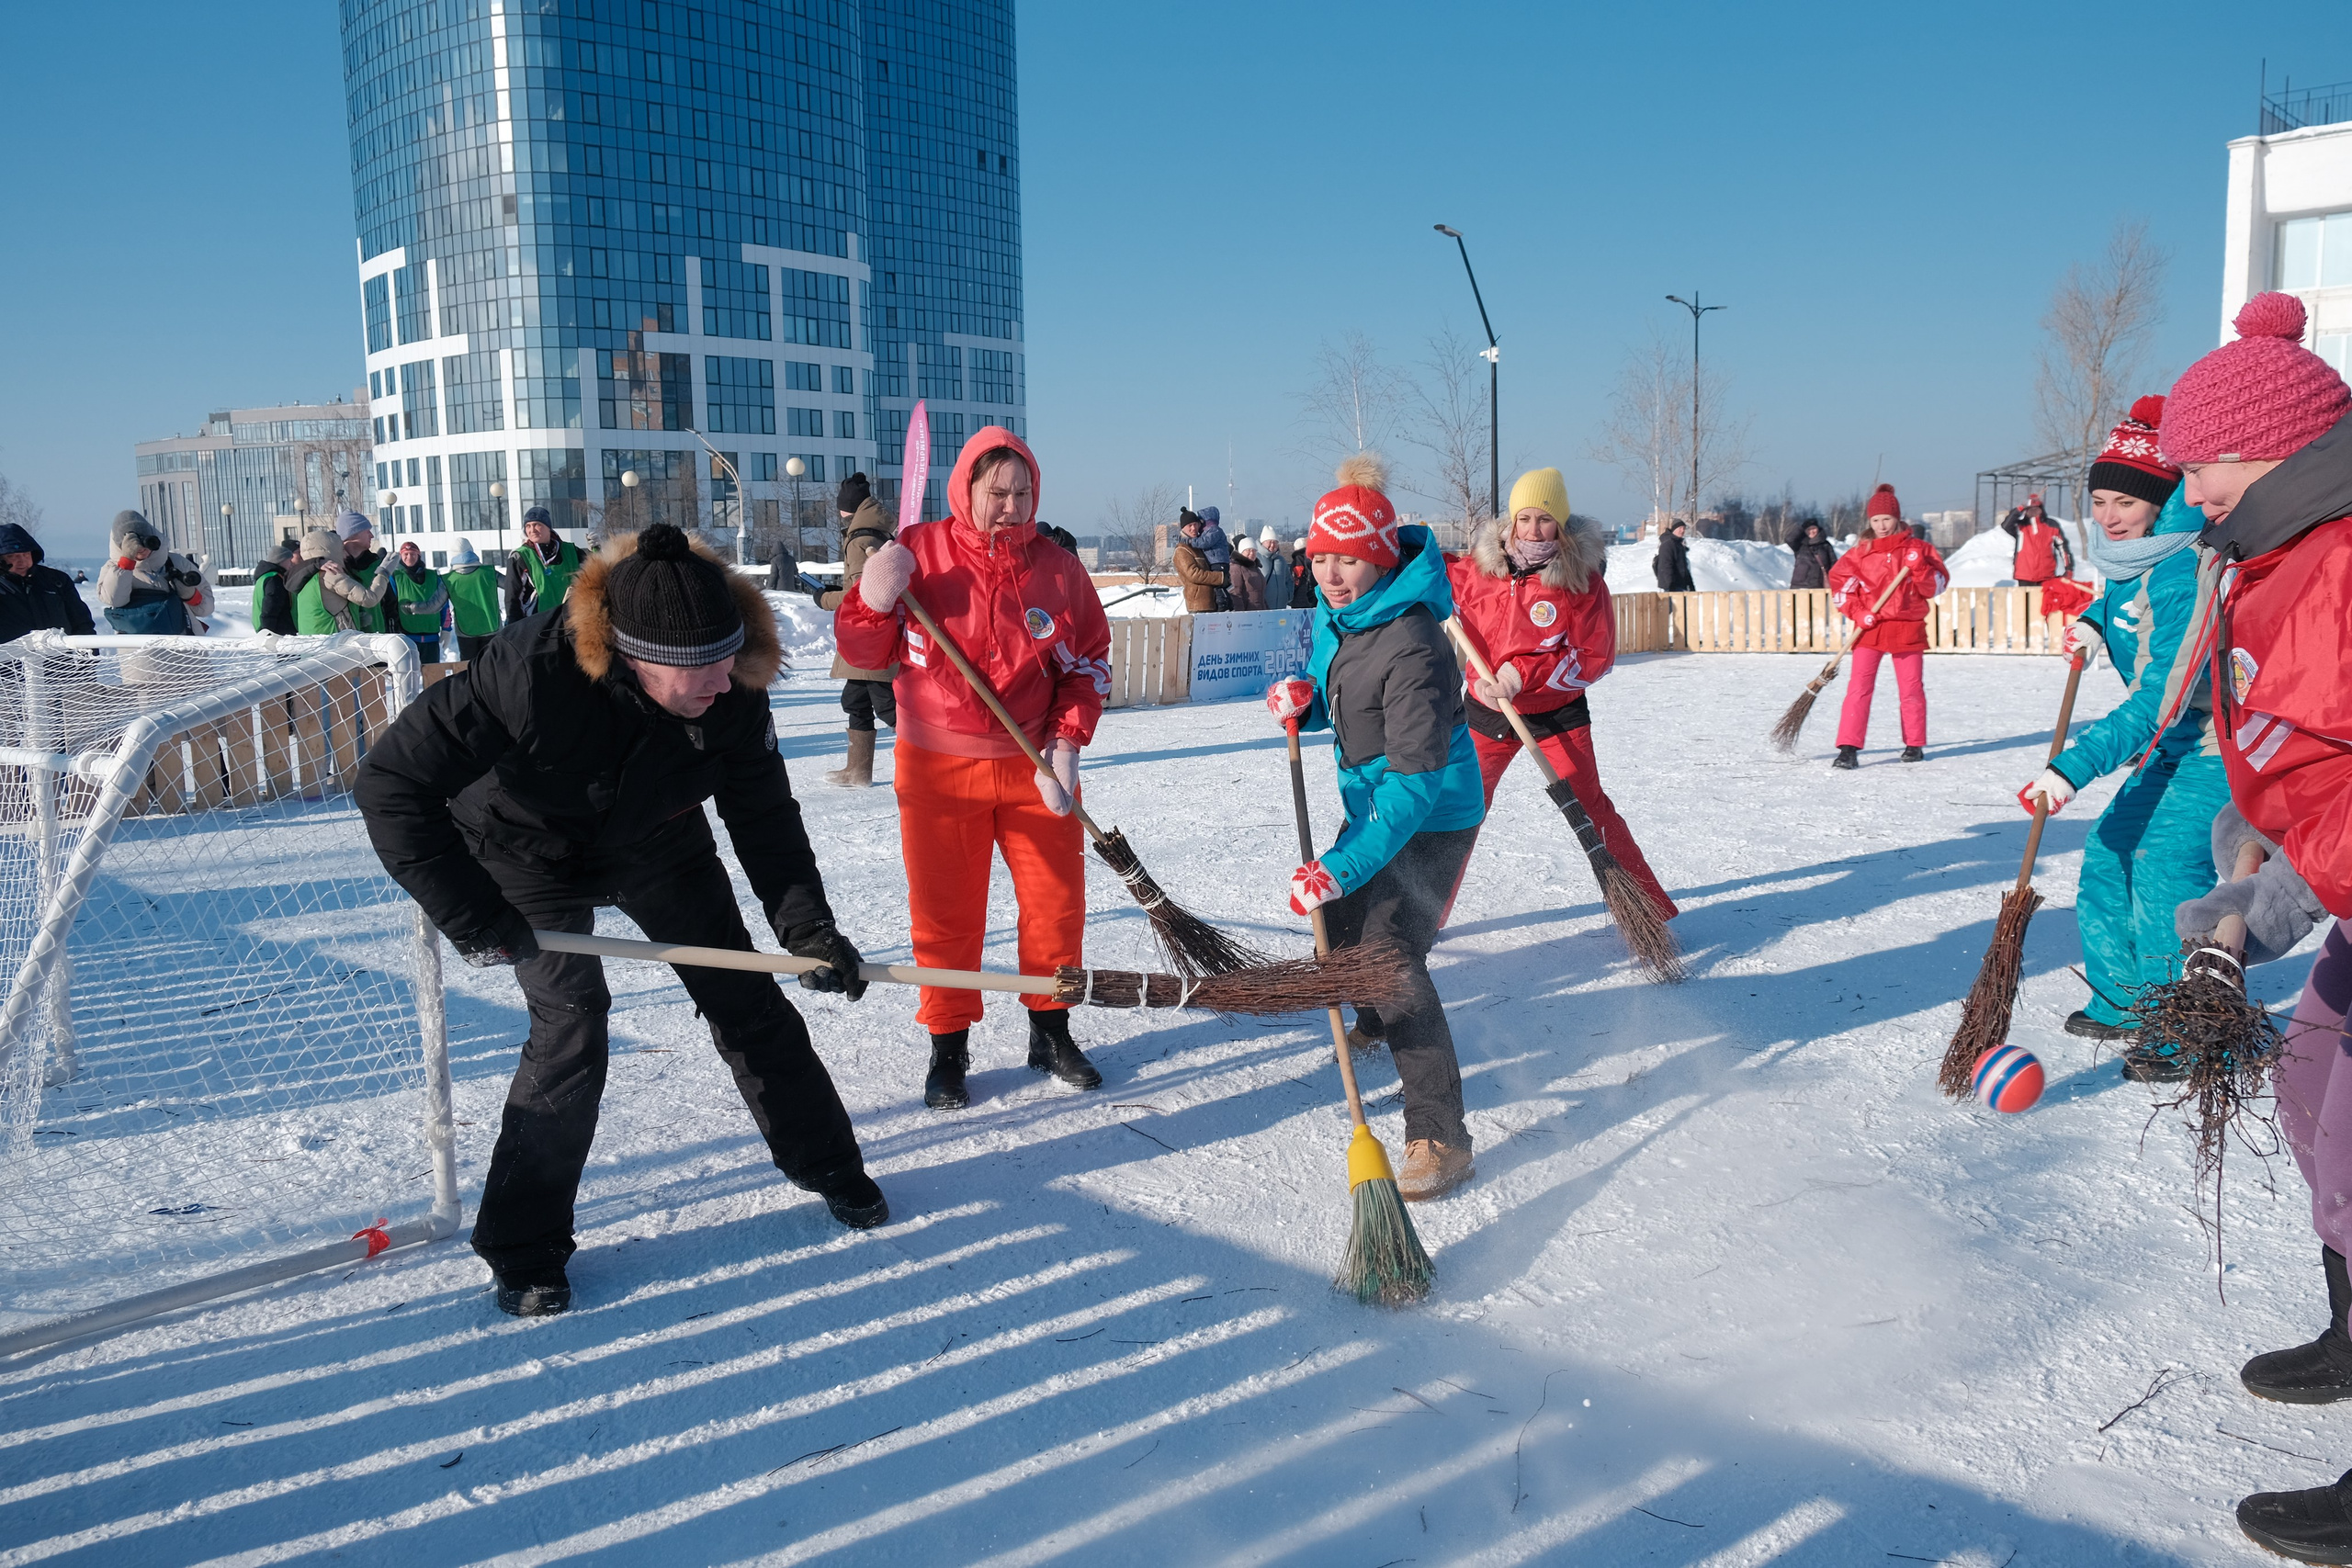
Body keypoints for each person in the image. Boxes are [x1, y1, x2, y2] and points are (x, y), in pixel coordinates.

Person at [355, 522, 885, 1319]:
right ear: (634, 656)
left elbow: (764, 815)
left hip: (657, 835)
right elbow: (390, 785)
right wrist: (477, 914)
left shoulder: (733, 685)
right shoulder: (532, 674)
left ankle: (833, 1166)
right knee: (573, 1020)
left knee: (745, 994)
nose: (722, 677)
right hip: (520, 847)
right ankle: (524, 1246)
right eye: (697, 666)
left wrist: (806, 928)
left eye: (729, 655)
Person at [2111, 294, 2352, 1561]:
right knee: (2312, 1088)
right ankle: (2350, 1328)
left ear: (2271, 449)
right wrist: (2252, 901)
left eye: (2201, 465)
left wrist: (2285, 888)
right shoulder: (2274, 555)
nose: (2189, 490)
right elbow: (2305, 770)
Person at [833, 429, 1112, 1111]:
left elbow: (1090, 662)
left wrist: (1066, 746)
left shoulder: (1058, 570)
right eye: (998, 492)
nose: (1012, 505)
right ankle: (948, 1047)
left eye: (1023, 492)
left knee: (1056, 905)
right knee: (946, 915)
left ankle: (1051, 1029)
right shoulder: (920, 552)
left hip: (1030, 766)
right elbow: (861, 647)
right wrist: (872, 597)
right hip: (936, 767)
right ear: (967, 488)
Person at [1266, 453, 1486, 1201]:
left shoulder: (1416, 642)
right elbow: (1353, 704)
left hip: (1428, 814)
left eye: (1349, 559)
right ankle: (1367, 1019)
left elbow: (1416, 783)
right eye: (1321, 556)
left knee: (1392, 960)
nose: (1330, 573)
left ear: (1382, 558)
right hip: (1375, 802)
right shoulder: (1344, 617)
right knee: (1337, 913)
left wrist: (1347, 862)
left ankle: (1441, 1134)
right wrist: (1309, 701)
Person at [2015, 397, 2226, 1077]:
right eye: (2100, 499)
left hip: (2216, 746)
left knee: (2164, 869)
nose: (2108, 515)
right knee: (2109, 852)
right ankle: (2124, 998)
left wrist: (2073, 765)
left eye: (2124, 502)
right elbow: (2122, 593)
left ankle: (2179, 1022)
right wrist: (2096, 620)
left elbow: (2161, 696)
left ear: (2163, 499)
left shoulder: (2186, 568)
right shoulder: (2139, 553)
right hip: (2171, 743)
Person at [1448, 468, 1677, 925]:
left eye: (1545, 520)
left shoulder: (1581, 581)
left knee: (1592, 808)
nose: (1534, 530)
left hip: (1556, 715)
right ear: (1511, 522)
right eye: (1525, 518)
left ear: (1562, 523)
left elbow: (1596, 656)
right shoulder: (1476, 571)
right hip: (1485, 713)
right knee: (1457, 811)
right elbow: (1420, 574)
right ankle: (1422, 920)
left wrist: (1523, 674)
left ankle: (1645, 911)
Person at [1824, 484, 1949, 767]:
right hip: (1871, 627)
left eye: (1886, 519)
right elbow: (1841, 587)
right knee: (1859, 687)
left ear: (1897, 518)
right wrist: (1859, 612)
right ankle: (1848, 747)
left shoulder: (1918, 549)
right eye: (1876, 520)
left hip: (1907, 626)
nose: (1881, 525)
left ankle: (1914, 744)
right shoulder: (1861, 553)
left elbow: (1936, 587)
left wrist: (1920, 569)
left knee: (1911, 688)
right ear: (1869, 522)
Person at [814, 471, 899, 788]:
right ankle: (858, 770)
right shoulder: (877, 534)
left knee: (885, 705)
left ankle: (927, 754)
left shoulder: (859, 539)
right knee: (857, 700)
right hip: (872, 633)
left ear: (845, 509)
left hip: (866, 634)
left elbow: (862, 593)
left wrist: (824, 597)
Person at [98, 511, 209, 635]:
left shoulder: (176, 562)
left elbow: (206, 609)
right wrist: (126, 563)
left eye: (146, 542)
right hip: (138, 650)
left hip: (183, 647)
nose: (142, 549)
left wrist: (191, 596)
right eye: (135, 546)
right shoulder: (113, 568)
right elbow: (114, 600)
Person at [288, 513, 390, 634]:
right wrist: (384, 572)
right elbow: (369, 599)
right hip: (335, 644)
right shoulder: (330, 572)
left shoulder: (309, 574)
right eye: (367, 531)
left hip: (317, 642)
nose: (372, 536)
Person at [0, 521, 95, 642]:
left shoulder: (57, 580)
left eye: (25, 554)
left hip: (60, 658)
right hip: (11, 658)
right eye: (12, 556)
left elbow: (81, 622)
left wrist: (88, 654)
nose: (22, 561)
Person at [503, 506, 586, 622]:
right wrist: (514, 626)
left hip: (570, 621)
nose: (532, 530)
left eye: (537, 524)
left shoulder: (571, 551)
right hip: (537, 624)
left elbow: (597, 572)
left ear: (548, 528)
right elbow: (513, 597)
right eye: (528, 526)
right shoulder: (520, 557)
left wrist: (597, 550)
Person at [390, 539, 451, 663]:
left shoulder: (434, 577)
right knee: (408, 680)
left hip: (431, 638)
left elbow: (444, 605)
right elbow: (391, 607)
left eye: (413, 554)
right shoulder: (395, 578)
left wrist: (446, 629)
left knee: (433, 677)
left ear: (419, 556)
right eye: (405, 554)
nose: (409, 557)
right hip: (407, 638)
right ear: (401, 556)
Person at [1999, 491, 2075, 586]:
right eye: (2030, 509)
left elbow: (2063, 548)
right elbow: (2006, 525)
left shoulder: (2052, 526)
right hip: (2024, 576)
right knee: (2025, 601)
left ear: (2042, 509)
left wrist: (2069, 568)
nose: (2033, 511)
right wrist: (2020, 508)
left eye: (2036, 508)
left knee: (2045, 601)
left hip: (2047, 576)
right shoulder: (2020, 527)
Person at [445, 538, 503, 661]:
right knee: (493, 665)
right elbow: (512, 584)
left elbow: (434, 605)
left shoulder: (449, 579)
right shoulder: (489, 573)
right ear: (471, 552)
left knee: (468, 668)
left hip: (466, 631)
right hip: (491, 627)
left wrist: (412, 607)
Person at [1172, 509, 1227, 613]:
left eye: (1195, 524)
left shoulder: (1201, 545)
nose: (1193, 528)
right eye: (1190, 526)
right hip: (1198, 604)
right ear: (1183, 528)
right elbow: (1194, 575)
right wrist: (1220, 577)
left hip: (1211, 601)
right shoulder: (1182, 549)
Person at [250, 539, 299, 637]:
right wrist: (268, 632)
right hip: (278, 633)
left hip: (269, 629)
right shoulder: (275, 579)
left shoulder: (264, 577)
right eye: (289, 560)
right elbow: (270, 607)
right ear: (281, 560)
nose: (291, 564)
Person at [1197, 504, 1234, 611]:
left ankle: (1224, 606)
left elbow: (1204, 543)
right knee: (1221, 586)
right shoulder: (1210, 532)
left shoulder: (1213, 531)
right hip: (1218, 562)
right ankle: (1226, 604)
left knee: (1219, 586)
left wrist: (1190, 541)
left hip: (1218, 563)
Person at [1786, 516, 1836, 590]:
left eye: (1814, 528)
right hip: (1799, 586)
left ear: (1818, 529)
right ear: (1804, 531)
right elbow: (1789, 539)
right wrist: (1801, 528)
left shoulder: (1825, 545)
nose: (1811, 531)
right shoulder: (1800, 545)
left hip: (1819, 586)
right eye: (1808, 529)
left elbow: (1834, 564)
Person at [1651, 518, 1695, 592]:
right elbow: (1666, 566)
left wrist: (1690, 584)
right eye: (1680, 528)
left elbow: (1684, 567)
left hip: (1681, 585)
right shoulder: (1668, 544)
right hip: (1672, 587)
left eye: (1684, 528)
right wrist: (1671, 585)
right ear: (1674, 529)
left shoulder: (1679, 545)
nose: (1682, 530)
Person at [1227, 533, 1269, 610]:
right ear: (1241, 552)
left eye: (1254, 551)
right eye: (1248, 550)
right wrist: (1241, 614)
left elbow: (1261, 594)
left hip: (1259, 611)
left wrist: (1266, 609)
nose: (1252, 553)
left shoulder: (1256, 568)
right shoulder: (1236, 568)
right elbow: (1235, 593)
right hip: (1247, 613)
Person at [1261, 525, 1295, 610]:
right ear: (1262, 542)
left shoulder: (1281, 560)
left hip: (1281, 607)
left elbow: (1288, 580)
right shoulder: (1257, 559)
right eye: (1269, 542)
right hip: (1263, 608)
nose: (1272, 545)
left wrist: (1288, 594)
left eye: (1275, 542)